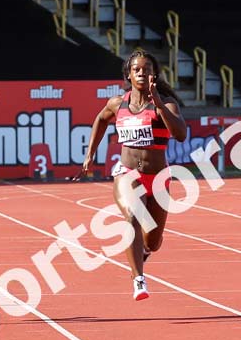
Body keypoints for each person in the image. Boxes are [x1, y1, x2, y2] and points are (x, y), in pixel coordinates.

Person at [79, 49, 187, 300]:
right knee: (132, 218)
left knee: (153, 242)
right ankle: (139, 279)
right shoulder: (118, 104)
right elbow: (101, 120)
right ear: (128, 74)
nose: (141, 72)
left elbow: (180, 134)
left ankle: (143, 253)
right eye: (136, 69)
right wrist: (90, 153)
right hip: (127, 173)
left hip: (158, 179)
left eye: (146, 69)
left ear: (154, 75)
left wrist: (158, 103)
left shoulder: (166, 104)